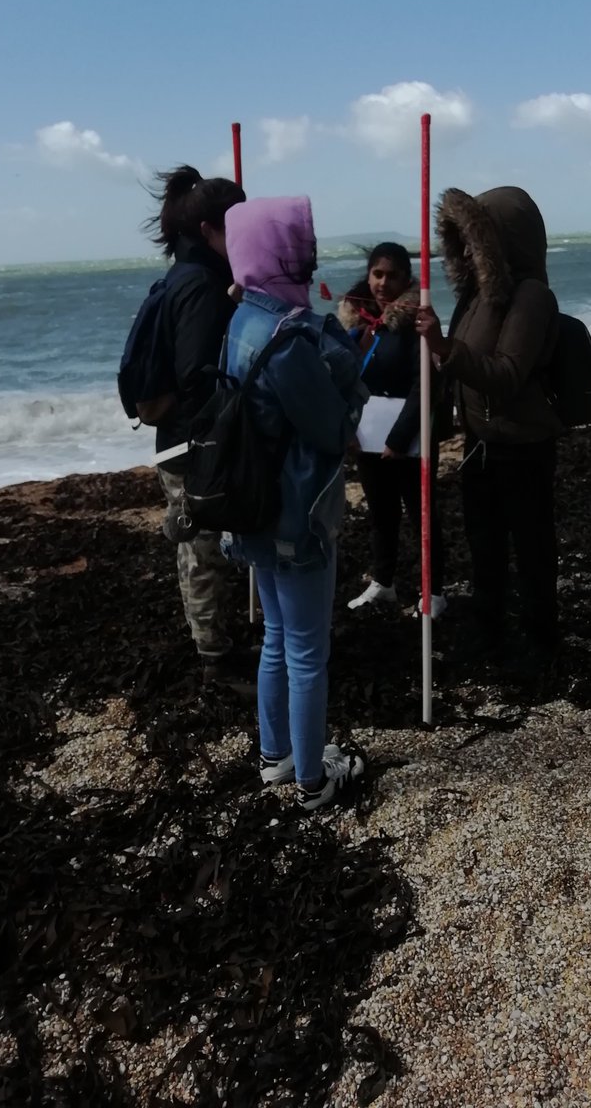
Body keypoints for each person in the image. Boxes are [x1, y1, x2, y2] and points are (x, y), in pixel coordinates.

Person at [221, 195, 368, 811]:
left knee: (278, 636)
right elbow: (331, 428)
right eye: (301, 242)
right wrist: (344, 368)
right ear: (283, 252)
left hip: (250, 506)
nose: (309, 254)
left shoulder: (242, 318)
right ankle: (313, 782)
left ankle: (275, 756)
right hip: (296, 512)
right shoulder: (287, 336)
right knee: (308, 650)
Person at [415, 186, 563, 672]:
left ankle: (541, 638)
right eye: (463, 242)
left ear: (503, 241)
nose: (467, 252)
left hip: (523, 446)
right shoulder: (476, 296)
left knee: (532, 547)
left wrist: (444, 347)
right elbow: (458, 366)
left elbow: (506, 374)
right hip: (480, 443)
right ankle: (489, 630)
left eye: (476, 241)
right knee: (485, 545)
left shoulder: (532, 296)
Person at [143, 165, 246, 687]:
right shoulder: (202, 285)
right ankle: (214, 659)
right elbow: (196, 373)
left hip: (177, 438)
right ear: (208, 229)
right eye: (237, 226)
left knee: (197, 547)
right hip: (191, 443)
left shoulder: (185, 274)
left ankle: (215, 645)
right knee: (200, 550)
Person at [338, 243, 447, 618]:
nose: (383, 283)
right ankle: (383, 583)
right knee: (381, 516)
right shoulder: (356, 321)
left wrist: (399, 439)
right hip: (366, 440)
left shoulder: (418, 321)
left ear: (407, 279)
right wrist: (346, 428)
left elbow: (425, 384)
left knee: (422, 516)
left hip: (410, 440)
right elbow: (343, 379)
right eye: (377, 274)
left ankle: (434, 591)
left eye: (393, 276)